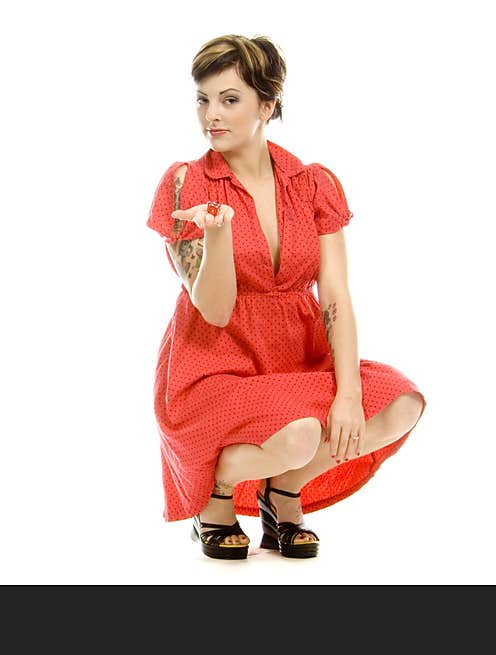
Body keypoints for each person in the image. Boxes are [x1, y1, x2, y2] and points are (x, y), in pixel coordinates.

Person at [146, 34, 426, 559]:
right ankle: (216, 498)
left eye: (230, 99)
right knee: (298, 432)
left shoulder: (312, 184)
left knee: (400, 402)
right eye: (203, 100)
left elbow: (335, 295)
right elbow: (215, 309)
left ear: (267, 106)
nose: (212, 115)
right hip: (212, 371)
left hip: (296, 361)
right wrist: (217, 235)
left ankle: (284, 492)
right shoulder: (186, 184)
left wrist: (346, 393)